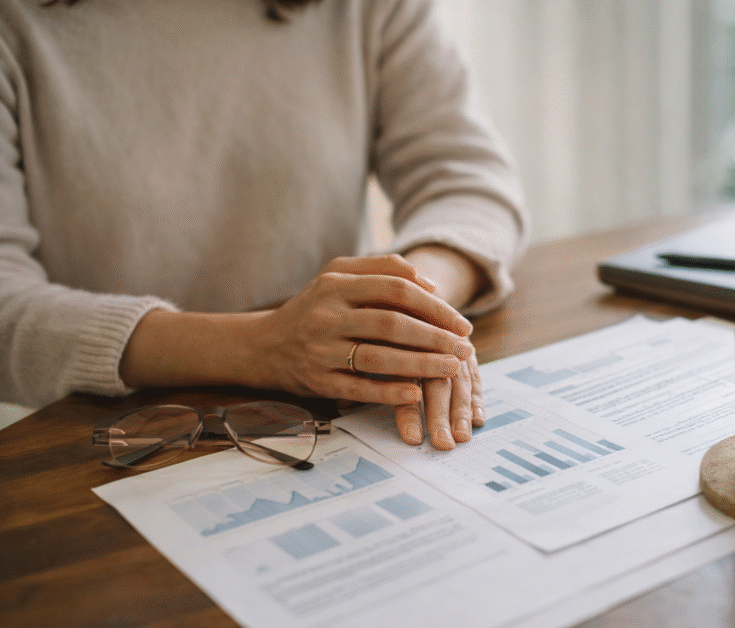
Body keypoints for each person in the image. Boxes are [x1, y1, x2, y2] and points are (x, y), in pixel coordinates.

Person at [0, 0, 528, 449]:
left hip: (330, 422)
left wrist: (400, 315)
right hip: (105, 442)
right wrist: (257, 347)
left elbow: (467, 182)